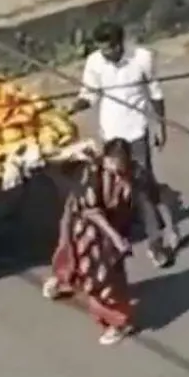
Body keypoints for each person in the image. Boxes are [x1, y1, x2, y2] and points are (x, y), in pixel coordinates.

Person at [69, 21, 180, 268]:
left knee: (142, 187)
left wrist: (159, 126)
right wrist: (74, 107)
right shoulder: (95, 63)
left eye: (110, 49)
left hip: (137, 131)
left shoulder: (142, 58)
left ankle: (156, 242)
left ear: (120, 43)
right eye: (102, 50)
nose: (106, 55)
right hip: (111, 133)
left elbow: (155, 93)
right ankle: (123, 234)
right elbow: (89, 95)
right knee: (116, 187)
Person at [42, 138, 136, 346]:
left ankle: (118, 323)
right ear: (106, 159)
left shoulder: (132, 175)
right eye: (113, 161)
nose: (117, 166)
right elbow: (93, 212)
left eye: (121, 162)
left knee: (105, 280)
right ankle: (64, 280)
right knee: (71, 258)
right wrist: (115, 237)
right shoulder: (92, 175)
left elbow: (141, 201)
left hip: (109, 233)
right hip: (87, 227)